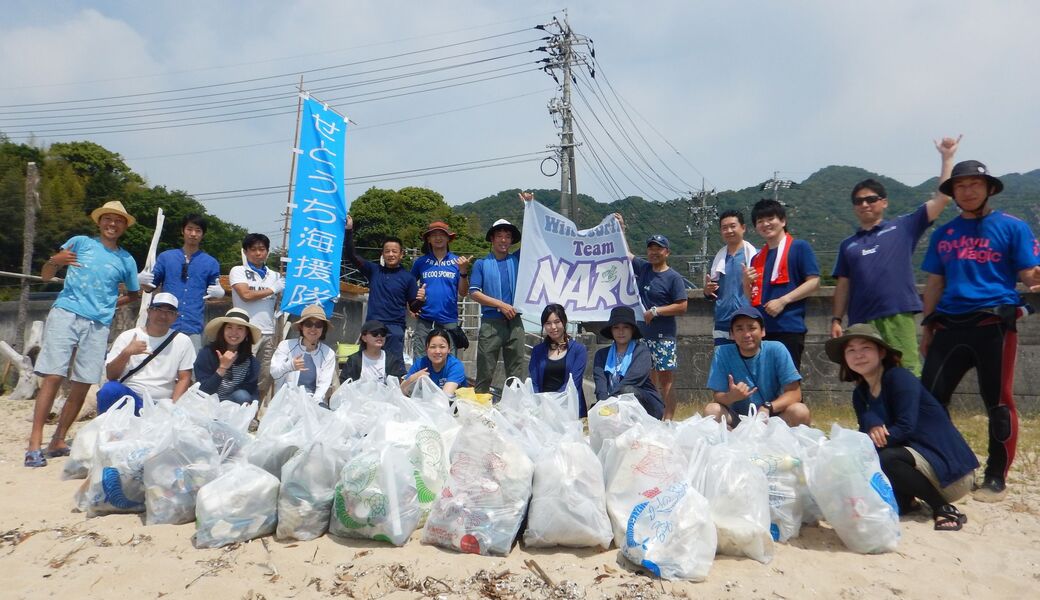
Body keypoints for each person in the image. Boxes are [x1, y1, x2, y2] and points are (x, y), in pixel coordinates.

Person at [919, 159, 1040, 502]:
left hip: (993, 326)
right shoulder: (945, 234)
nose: (968, 191)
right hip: (949, 325)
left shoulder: (1013, 228)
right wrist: (927, 327)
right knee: (930, 400)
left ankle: (995, 476)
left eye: (975, 184)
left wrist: (1036, 281)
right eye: (960, 186)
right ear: (953, 192)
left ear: (988, 188)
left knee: (998, 401)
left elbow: (1030, 276)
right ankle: (952, 465)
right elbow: (934, 283)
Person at [25, 200, 144, 468]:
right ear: (99, 222)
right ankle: (34, 444)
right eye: (108, 219)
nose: (112, 224)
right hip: (66, 313)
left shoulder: (126, 259)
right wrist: (54, 261)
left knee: (83, 381)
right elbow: (45, 276)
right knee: (53, 376)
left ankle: (57, 439)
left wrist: (110, 304)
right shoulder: (80, 242)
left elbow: (134, 294)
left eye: (118, 220)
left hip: (98, 324)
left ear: (124, 226)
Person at [825, 323, 978, 531]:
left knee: (884, 457)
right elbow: (865, 434)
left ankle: (943, 508)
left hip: (950, 474)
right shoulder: (860, 394)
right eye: (851, 350)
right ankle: (907, 502)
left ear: (881, 352)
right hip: (917, 467)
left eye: (865, 348)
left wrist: (870, 439)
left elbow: (906, 427)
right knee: (862, 458)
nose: (858, 355)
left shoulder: (898, 378)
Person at [831, 136, 960, 376]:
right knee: (867, 375)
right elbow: (843, 285)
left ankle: (911, 414)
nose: (865, 204)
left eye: (871, 199)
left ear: (884, 202)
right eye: (859, 201)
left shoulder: (903, 227)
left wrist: (947, 158)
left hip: (897, 313)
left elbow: (942, 198)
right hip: (861, 320)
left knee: (906, 372)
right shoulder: (848, 245)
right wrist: (836, 319)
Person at [743, 199, 820, 370]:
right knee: (766, 383)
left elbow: (814, 282)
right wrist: (746, 283)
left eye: (770, 219)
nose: (765, 224)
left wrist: (783, 300)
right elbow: (752, 299)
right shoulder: (757, 258)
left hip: (789, 327)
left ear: (783, 221)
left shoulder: (799, 247)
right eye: (760, 221)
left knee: (789, 384)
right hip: (761, 330)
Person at [704, 306, 810, 427]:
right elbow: (717, 396)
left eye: (752, 328)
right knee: (711, 410)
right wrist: (731, 396)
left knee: (800, 411)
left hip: (772, 417)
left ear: (763, 331)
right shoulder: (722, 353)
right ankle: (730, 439)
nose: (746, 334)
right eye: (739, 329)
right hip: (737, 419)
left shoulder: (777, 349)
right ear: (732, 334)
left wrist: (768, 407)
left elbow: (795, 393)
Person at [96, 292, 197, 413]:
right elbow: (111, 375)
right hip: (131, 398)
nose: (163, 316)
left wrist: (173, 408)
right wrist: (126, 353)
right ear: (149, 311)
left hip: (161, 405)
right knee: (109, 389)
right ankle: (106, 428)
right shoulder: (128, 336)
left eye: (169, 312)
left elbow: (184, 378)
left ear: (175, 316)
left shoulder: (183, 341)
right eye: (158, 310)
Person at [344, 215, 423, 365]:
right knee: (367, 367)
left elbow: (413, 307)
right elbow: (351, 255)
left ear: (401, 254)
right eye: (387, 251)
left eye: (394, 251)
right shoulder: (373, 270)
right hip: (373, 326)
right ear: (382, 254)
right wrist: (349, 230)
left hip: (395, 328)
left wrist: (421, 299)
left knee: (393, 369)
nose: (391, 254)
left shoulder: (408, 278)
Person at [143, 213, 224, 350]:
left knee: (190, 368)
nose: (193, 234)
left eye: (198, 230)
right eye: (189, 229)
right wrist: (141, 280)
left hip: (193, 325)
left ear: (203, 234)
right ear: (182, 231)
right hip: (163, 322)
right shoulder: (166, 257)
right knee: (158, 366)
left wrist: (219, 293)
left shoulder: (211, 263)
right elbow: (149, 287)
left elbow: (214, 290)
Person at [469, 218, 525, 393]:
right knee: (485, 368)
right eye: (499, 236)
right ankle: (479, 407)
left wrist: (528, 206)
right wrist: (501, 305)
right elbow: (474, 292)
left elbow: (536, 239)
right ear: (492, 239)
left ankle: (514, 408)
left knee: (516, 371)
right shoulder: (481, 264)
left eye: (507, 237)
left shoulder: (517, 260)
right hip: (491, 323)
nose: (503, 240)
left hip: (515, 322)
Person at [228, 233, 283, 397]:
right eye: (253, 249)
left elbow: (278, 302)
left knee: (264, 377)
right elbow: (245, 295)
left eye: (262, 249)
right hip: (245, 334)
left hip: (268, 333)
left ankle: (255, 415)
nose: (258, 253)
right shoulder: (238, 271)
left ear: (267, 252)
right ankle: (236, 410)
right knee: (240, 375)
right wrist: (273, 289)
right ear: (245, 252)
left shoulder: (275, 276)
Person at [410, 221, 472, 359]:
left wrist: (463, 271)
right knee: (420, 357)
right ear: (428, 239)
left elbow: (463, 292)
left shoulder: (458, 261)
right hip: (424, 319)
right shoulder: (421, 262)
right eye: (434, 235)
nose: (438, 238)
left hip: (449, 319)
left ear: (449, 238)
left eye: (442, 235)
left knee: (449, 359)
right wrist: (411, 306)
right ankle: (421, 381)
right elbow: (408, 285)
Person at [592, 306, 664, 420]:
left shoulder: (642, 351)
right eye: (616, 327)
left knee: (627, 390)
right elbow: (600, 384)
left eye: (626, 327)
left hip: (645, 406)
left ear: (632, 330)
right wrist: (603, 404)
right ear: (611, 330)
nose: (621, 332)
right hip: (612, 403)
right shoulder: (601, 355)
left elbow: (632, 381)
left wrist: (610, 402)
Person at [528, 303, 589, 417]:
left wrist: (553, 403)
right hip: (543, 411)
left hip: (570, 411)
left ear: (564, 322)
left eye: (557, 322)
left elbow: (573, 383)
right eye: (548, 323)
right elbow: (534, 383)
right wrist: (541, 406)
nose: (553, 327)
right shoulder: (538, 351)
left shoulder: (578, 350)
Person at [705, 210, 756, 346]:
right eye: (724, 228)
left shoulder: (755, 257)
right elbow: (713, 292)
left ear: (743, 228)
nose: (729, 230)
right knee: (724, 365)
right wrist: (707, 291)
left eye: (733, 226)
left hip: (747, 321)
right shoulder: (718, 259)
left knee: (747, 365)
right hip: (722, 322)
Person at [270, 304, 337, 404]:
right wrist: (290, 366)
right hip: (286, 399)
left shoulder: (328, 353)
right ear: (301, 326)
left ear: (323, 329)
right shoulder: (285, 345)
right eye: (308, 324)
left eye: (318, 325)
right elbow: (274, 373)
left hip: (312, 400)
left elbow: (324, 384)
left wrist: (313, 404)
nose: (313, 328)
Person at [194, 307, 262, 404]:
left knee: (242, 396)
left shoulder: (251, 362)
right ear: (223, 330)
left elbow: (252, 391)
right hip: (207, 405)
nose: (234, 333)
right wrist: (222, 368)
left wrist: (255, 406)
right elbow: (203, 391)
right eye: (229, 327)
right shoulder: (207, 354)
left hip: (232, 408)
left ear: (246, 333)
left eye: (240, 328)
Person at [401, 329, 469, 396]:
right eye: (433, 347)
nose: (437, 351)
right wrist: (414, 377)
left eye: (442, 347)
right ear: (427, 349)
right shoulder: (420, 363)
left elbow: (445, 397)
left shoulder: (455, 366)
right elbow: (402, 390)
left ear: (448, 349)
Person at [339, 319, 407, 384]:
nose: (379, 336)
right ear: (364, 338)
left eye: (383, 333)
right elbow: (345, 384)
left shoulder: (392, 359)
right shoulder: (354, 360)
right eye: (375, 333)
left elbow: (396, 385)